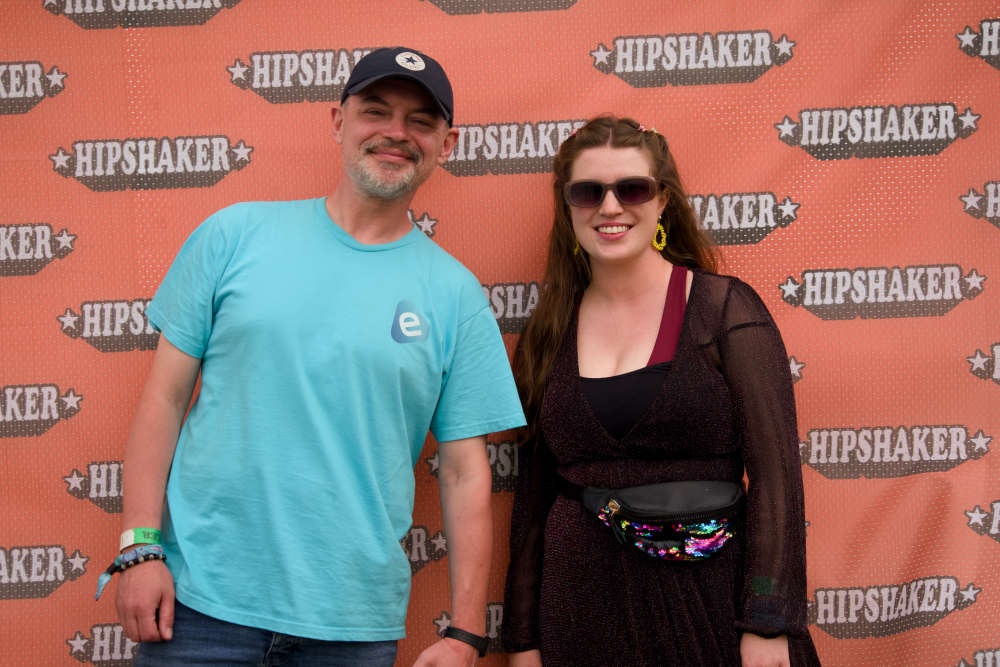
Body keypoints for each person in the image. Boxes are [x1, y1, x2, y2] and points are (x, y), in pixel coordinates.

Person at [106, 46, 526, 666]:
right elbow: (164, 401)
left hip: (351, 629)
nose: (396, 132)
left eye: (420, 121)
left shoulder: (456, 295)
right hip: (200, 610)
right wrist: (139, 547)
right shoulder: (233, 236)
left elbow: (464, 471)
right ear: (337, 121)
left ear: (447, 144)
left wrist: (465, 633)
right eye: (375, 111)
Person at [501, 116, 820, 666]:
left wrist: (768, 624)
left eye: (632, 188)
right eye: (587, 192)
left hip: (708, 607)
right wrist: (524, 640)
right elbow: (533, 503)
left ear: (662, 200)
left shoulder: (724, 310)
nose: (610, 207)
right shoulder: (548, 332)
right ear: (567, 206)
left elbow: (776, 479)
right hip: (579, 615)